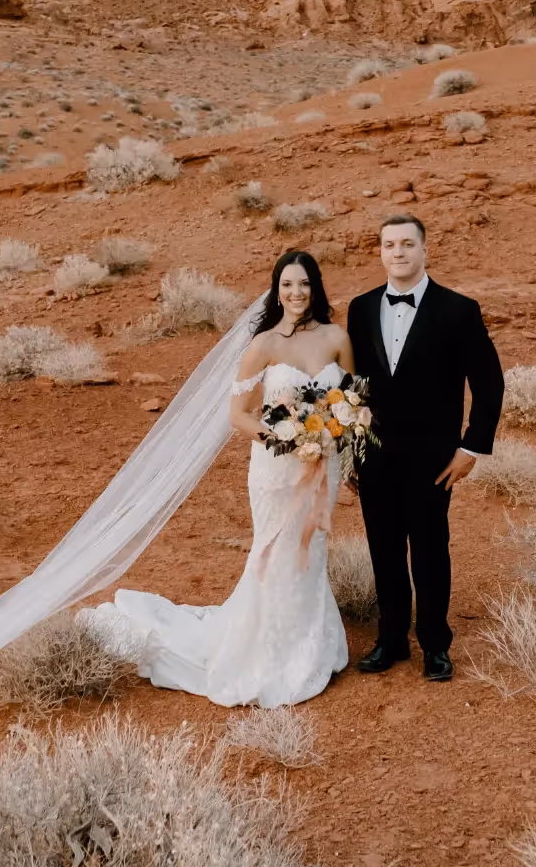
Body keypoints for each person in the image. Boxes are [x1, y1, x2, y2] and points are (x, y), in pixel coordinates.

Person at [82, 250, 354, 706]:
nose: (296, 292)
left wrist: (333, 433)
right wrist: (285, 437)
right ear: (276, 289)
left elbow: (348, 400)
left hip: (321, 467)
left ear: (316, 286)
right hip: (276, 467)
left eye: (304, 283)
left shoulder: (336, 338)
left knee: (312, 550)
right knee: (276, 552)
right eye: (287, 284)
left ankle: (309, 642)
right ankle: (268, 650)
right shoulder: (263, 345)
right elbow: (238, 416)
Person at [346, 214, 504, 682]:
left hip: (435, 459)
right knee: (384, 550)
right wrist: (350, 451)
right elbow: (351, 385)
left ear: (424, 250)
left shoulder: (458, 309)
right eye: (390, 244)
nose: (399, 252)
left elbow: (489, 382)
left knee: (431, 550)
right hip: (374, 455)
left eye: (408, 244)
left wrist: (473, 448)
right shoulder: (359, 308)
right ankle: (391, 640)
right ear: (380, 252)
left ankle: (435, 643)